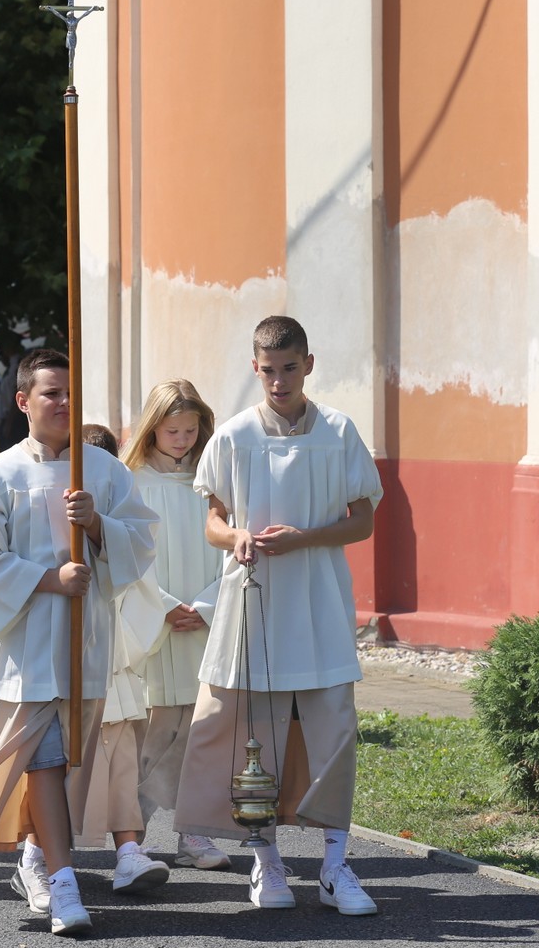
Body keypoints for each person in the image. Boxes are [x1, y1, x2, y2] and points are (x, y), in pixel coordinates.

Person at [174, 316, 381, 916]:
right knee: (253, 739)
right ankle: (267, 865)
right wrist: (235, 534)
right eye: (268, 370)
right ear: (254, 367)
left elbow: (363, 521)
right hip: (254, 601)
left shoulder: (339, 431)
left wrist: (307, 538)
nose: (279, 380)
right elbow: (211, 519)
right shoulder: (235, 435)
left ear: (308, 365)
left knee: (333, 732)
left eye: (290, 368)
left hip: (319, 600)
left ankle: (336, 867)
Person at [0, 348, 158, 936]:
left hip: (83, 643)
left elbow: (142, 544)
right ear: (23, 401)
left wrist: (97, 525)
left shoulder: (104, 470)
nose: (65, 404)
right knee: (42, 760)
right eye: (52, 393)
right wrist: (49, 578)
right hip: (22, 649)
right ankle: (65, 882)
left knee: (69, 763)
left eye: (73, 394)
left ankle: (37, 858)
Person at [118, 380, 229, 870]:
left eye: (190, 429)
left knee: (201, 728)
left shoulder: (216, 481)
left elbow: (231, 549)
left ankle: (194, 835)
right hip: (154, 620)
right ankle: (133, 835)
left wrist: (205, 605)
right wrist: (162, 604)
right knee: (155, 729)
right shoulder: (131, 481)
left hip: (205, 620)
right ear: (152, 428)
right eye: (172, 430)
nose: (182, 439)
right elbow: (124, 553)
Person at [69, 423, 174, 895]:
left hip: (113, 669)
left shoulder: (118, 533)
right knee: (60, 762)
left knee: (121, 762)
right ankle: (39, 856)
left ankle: (128, 850)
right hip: (58, 668)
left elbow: (143, 599)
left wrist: (118, 656)